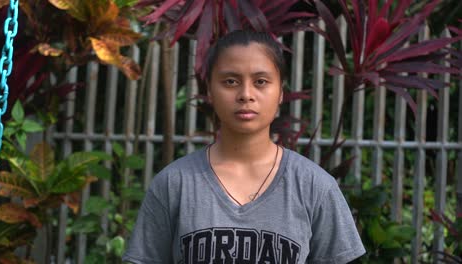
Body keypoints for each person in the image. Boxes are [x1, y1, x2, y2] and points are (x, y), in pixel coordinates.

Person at [122, 30, 365, 263]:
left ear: (280, 91)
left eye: (261, 81)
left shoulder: (314, 186)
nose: (246, 94)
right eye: (230, 81)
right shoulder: (175, 184)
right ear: (209, 90)